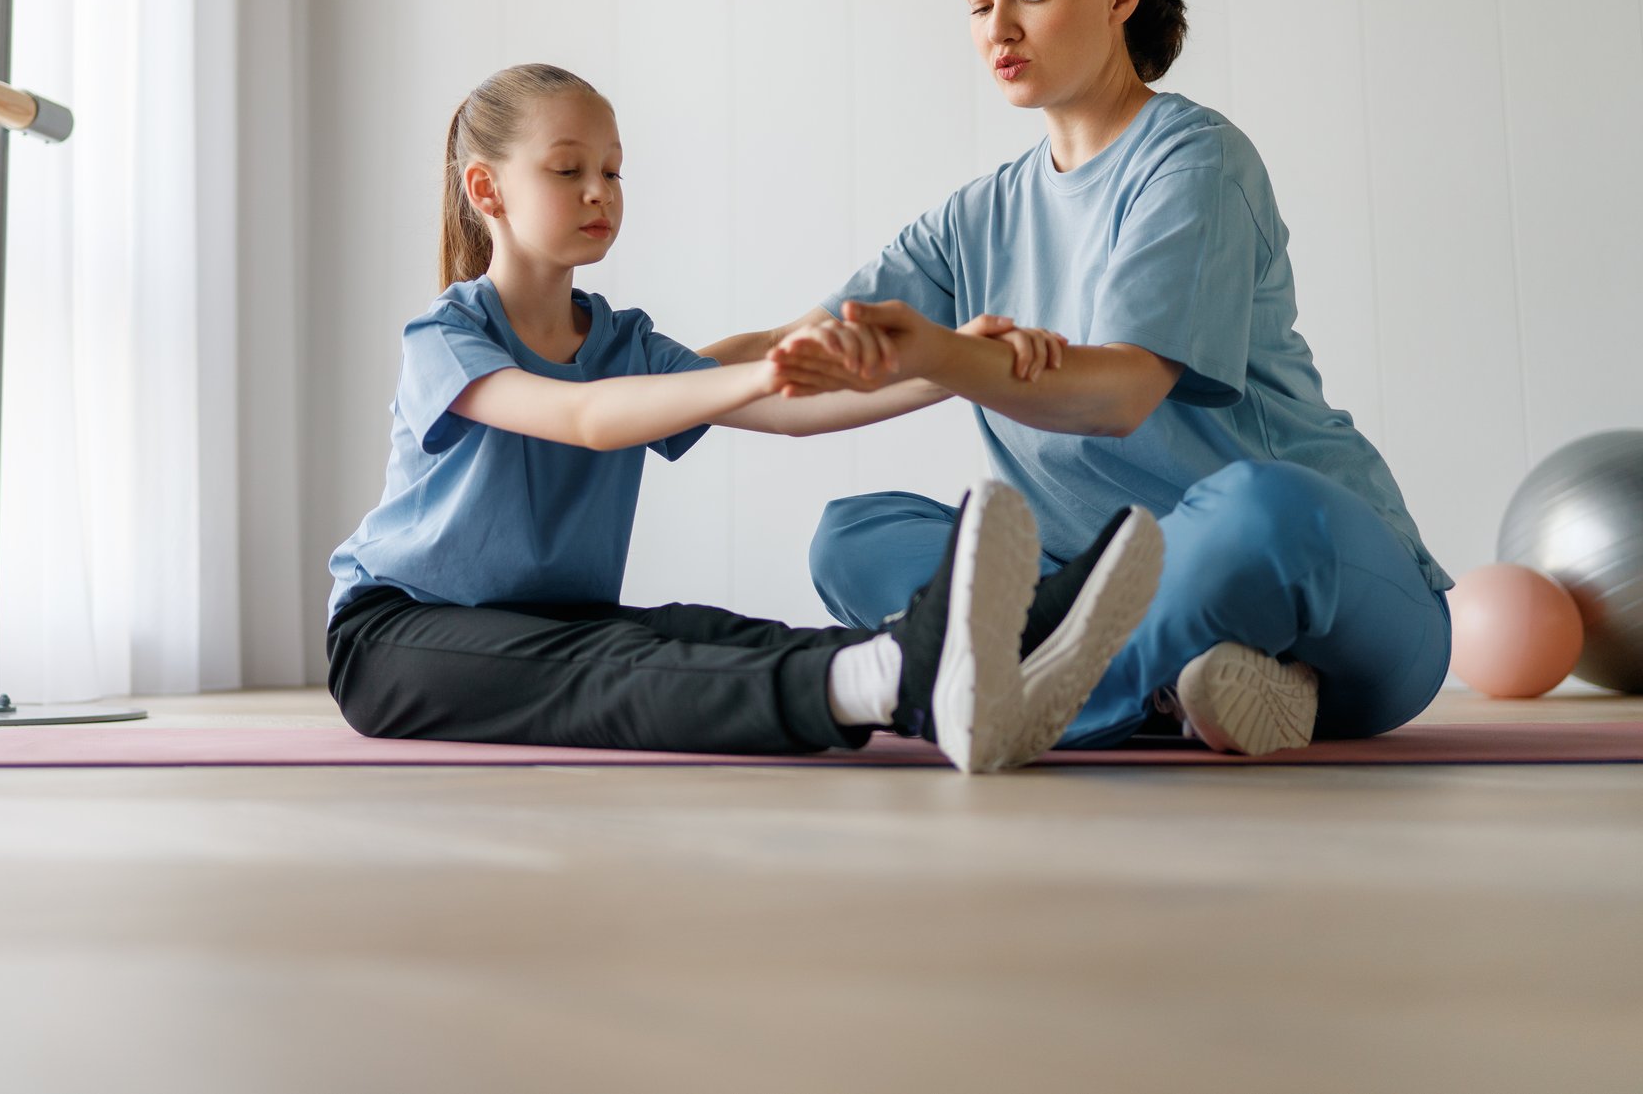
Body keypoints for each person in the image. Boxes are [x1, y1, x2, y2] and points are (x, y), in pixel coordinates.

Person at [705, 0, 1453, 756]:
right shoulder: (975, 217)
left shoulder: (1194, 160)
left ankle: (1049, 692)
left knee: (1257, 509)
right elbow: (802, 350)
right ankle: (1173, 684)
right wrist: (597, 384)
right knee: (854, 536)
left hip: (1331, 591)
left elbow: (1121, 395)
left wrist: (941, 354)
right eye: (979, 4)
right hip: (1093, 589)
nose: (1000, 29)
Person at [324, 63, 1163, 773]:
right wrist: (755, 367)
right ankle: (897, 676)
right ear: (486, 189)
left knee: (709, 634)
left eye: (613, 172)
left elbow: (789, 411)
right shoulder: (447, 335)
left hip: (553, 621)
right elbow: (584, 416)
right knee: (609, 672)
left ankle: (1008, 641)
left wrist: (956, 366)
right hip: (398, 634)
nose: (599, 192)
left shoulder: (621, 339)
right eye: (567, 169)